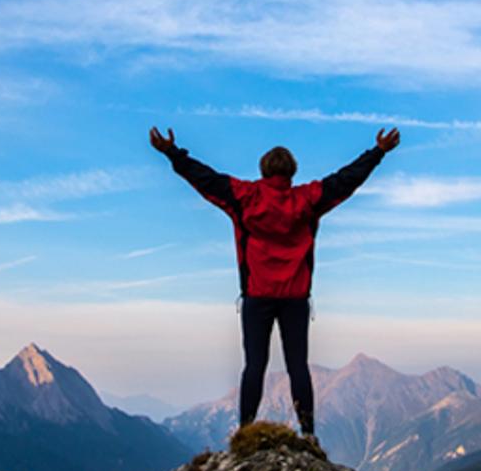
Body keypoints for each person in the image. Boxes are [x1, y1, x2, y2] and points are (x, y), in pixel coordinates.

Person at [150, 125, 400, 441]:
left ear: (263, 169)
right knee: (298, 366)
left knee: (254, 365)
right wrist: (377, 153)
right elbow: (346, 179)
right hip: (296, 298)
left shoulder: (244, 197)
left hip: (257, 297)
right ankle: (308, 432)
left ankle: (245, 432)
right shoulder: (308, 199)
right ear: (292, 172)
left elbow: (204, 178)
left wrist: (172, 152)